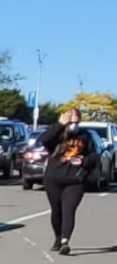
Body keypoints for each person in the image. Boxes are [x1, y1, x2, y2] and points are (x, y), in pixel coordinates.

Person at [40, 108, 97, 256]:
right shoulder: (57, 135)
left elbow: (94, 156)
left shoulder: (85, 137)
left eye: (76, 122)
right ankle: (58, 237)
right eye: (71, 122)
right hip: (54, 178)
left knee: (68, 210)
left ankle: (65, 241)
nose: (74, 125)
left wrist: (85, 160)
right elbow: (44, 140)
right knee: (56, 211)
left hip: (75, 180)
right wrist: (60, 125)